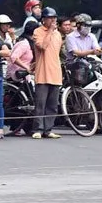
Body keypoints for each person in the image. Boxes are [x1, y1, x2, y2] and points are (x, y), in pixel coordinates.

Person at [31, 7, 63, 139]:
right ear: (43, 19)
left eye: (54, 18)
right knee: (40, 104)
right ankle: (37, 129)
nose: (53, 20)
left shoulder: (58, 34)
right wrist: (49, 31)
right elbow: (42, 46)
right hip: (43, 73)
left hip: (55, 72)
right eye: (50, 18)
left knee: (52, 105)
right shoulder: (38, 32)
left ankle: (48, 129)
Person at [7, 21, 39, 136]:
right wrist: (26, 67)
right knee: (19, 103)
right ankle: (16, 127)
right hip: (17, 75)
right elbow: (14, 57)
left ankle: (26, 126)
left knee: (28, 101)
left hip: (26, 75)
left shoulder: (31, 43)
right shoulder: (24, 43)